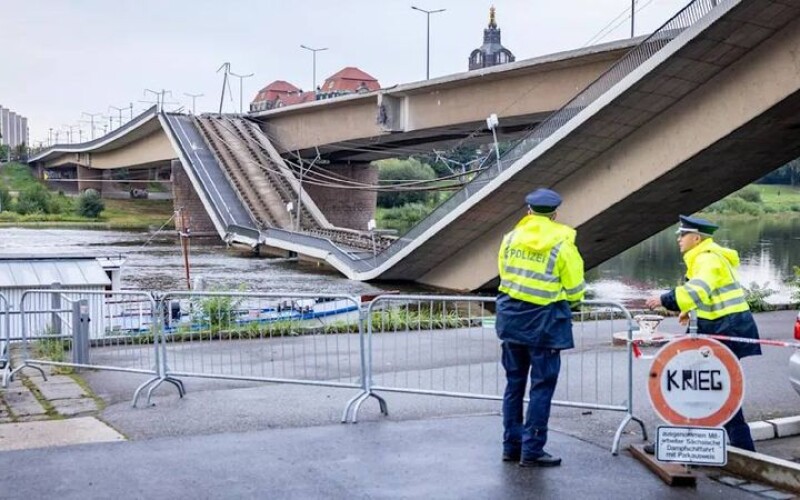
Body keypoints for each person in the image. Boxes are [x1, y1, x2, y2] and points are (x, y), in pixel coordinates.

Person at [646, 214, 760, 452]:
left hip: (724, 329)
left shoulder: (707, 259)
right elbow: (706, 294)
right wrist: (689, 310)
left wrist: (663, 299)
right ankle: (734, 447)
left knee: (705, 386)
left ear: (696, 238)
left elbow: (696, 291)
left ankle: (688, 443)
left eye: (682, 234)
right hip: (717, 327)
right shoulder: (703, 257)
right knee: (706, 385)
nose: (678, 239)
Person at [495, 188, 586, 467]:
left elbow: (505, 274)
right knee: (541, 388)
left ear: (528, 212)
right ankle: (532, 450)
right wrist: (570, 302)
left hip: (512, 320)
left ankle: (511, 447)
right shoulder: (562, 243)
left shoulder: (510, 239)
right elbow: (574, 290)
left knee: (514, 385)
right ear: (555, 214)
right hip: (545, 325)